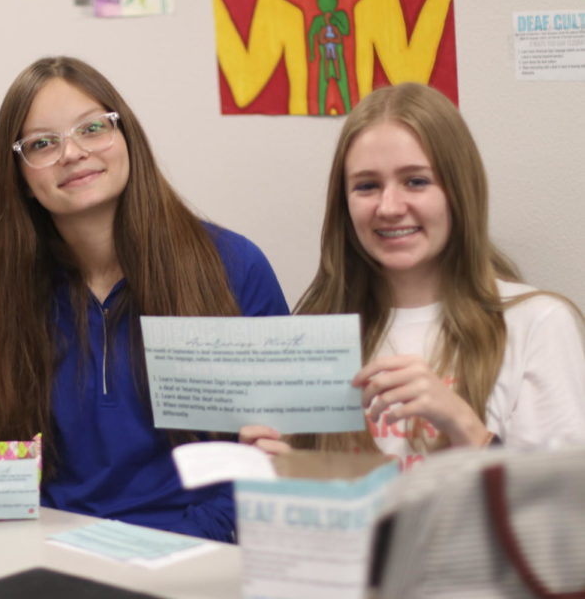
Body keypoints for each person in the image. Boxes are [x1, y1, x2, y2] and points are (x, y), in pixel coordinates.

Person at [0, 56, 289, 541]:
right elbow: (15, 463)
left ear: (127, 138)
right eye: (42, 143)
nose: (73, 153)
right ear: (21, 179)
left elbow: (271, 457)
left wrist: (168, 551)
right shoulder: (11, 289)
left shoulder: (234, 266)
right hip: (54, 555)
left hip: (200, 554)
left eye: (93, 128)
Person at [241, 82, 585, 470]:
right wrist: (290, 474)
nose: (389, 207)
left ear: (460, 190)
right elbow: (344, 510)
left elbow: (562, 515)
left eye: (416, 181)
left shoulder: (537, 323)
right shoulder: (317, 332)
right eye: (367, 186)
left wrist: (465, 428)